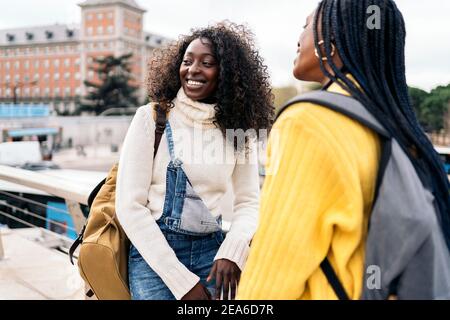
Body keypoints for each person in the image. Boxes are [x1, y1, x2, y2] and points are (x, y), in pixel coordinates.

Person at [237, 0, 450, 299]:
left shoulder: (309, 122)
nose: (298, 37)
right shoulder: (396, 124)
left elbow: (273, 273)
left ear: (331, 39)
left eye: (306, 24)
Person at [115, 22, 273, 300]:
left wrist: (233, 252)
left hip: (213, 260)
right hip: (155, 259)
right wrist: (181, 281)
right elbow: (129, 207)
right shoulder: (151, 118)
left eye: (207, 62)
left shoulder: (239, 130)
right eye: (187, 61)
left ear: (228, 74)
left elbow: (249, 202)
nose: (193, 70)